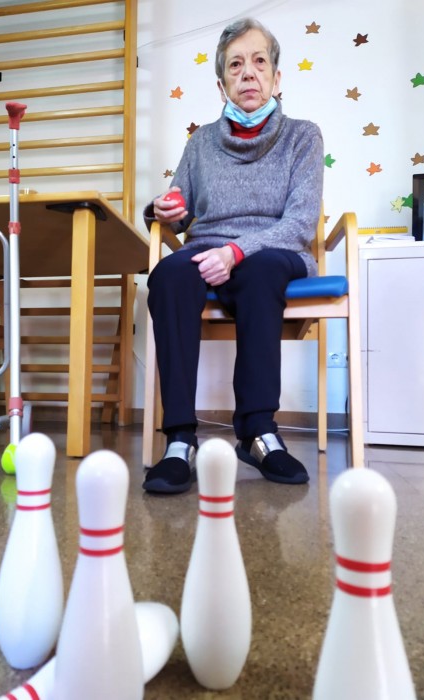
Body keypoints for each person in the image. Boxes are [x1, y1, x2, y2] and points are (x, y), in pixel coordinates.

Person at [143, 17, 324, 494]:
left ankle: (259, 432)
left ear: (276, 79)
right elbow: (179, 211)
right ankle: (179, 440)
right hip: (207, 249)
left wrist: (237, 250)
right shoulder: (201, 141)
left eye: (259, 62)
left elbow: (300, 223)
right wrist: (163, 210)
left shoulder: (304, 136)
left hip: (273, 250)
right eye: (236, 65)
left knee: (261, 270)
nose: (248, 73)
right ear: (222, 84)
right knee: (168, 275)